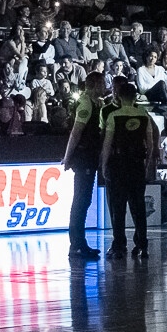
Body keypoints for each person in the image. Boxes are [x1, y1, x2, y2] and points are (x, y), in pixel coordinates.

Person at [98, 75, 159, 260]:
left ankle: (118, 246)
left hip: (118, 165)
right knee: (138, 206)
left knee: (118, 207)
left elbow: (107, 144)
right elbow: (149, 143)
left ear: (120, 96)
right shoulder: (143, 115)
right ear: (134, 97)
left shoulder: (113, 116)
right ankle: (143, 244)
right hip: (136, 165)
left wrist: (104, 165)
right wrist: (148, 164)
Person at [61, 68, 107, 258]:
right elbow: (76, 132)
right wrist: (68, 156)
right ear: (95, 85)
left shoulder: (93, 103)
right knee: (81, 200)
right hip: (84, 157)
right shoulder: (86, 105)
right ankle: (76, 244)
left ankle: (80, 243)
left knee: (84, 200)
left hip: (88, 156)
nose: (105, 87)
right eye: (102, 83)